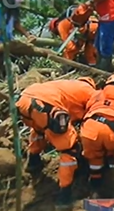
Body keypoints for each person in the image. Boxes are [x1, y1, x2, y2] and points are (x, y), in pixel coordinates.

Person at [15, 77, 96, 209]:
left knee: (39, 129)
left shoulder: (67, 85)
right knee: (69, 150)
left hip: (25, 101)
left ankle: (33, 161)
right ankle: (64, 197)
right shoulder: (90, 91)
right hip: (46, 107)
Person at [80, 74, 114, 198]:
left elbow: (86, 107)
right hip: (113, 132)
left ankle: (95, 189)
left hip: (90, 128)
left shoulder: (97, 93)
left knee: (94, 159)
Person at [85, 0, 114, 71]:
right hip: (104, 19)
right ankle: (102, 68)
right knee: (98, 45)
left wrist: (91, 1)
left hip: (111, 18)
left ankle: (103, 71)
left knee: (105, 47)